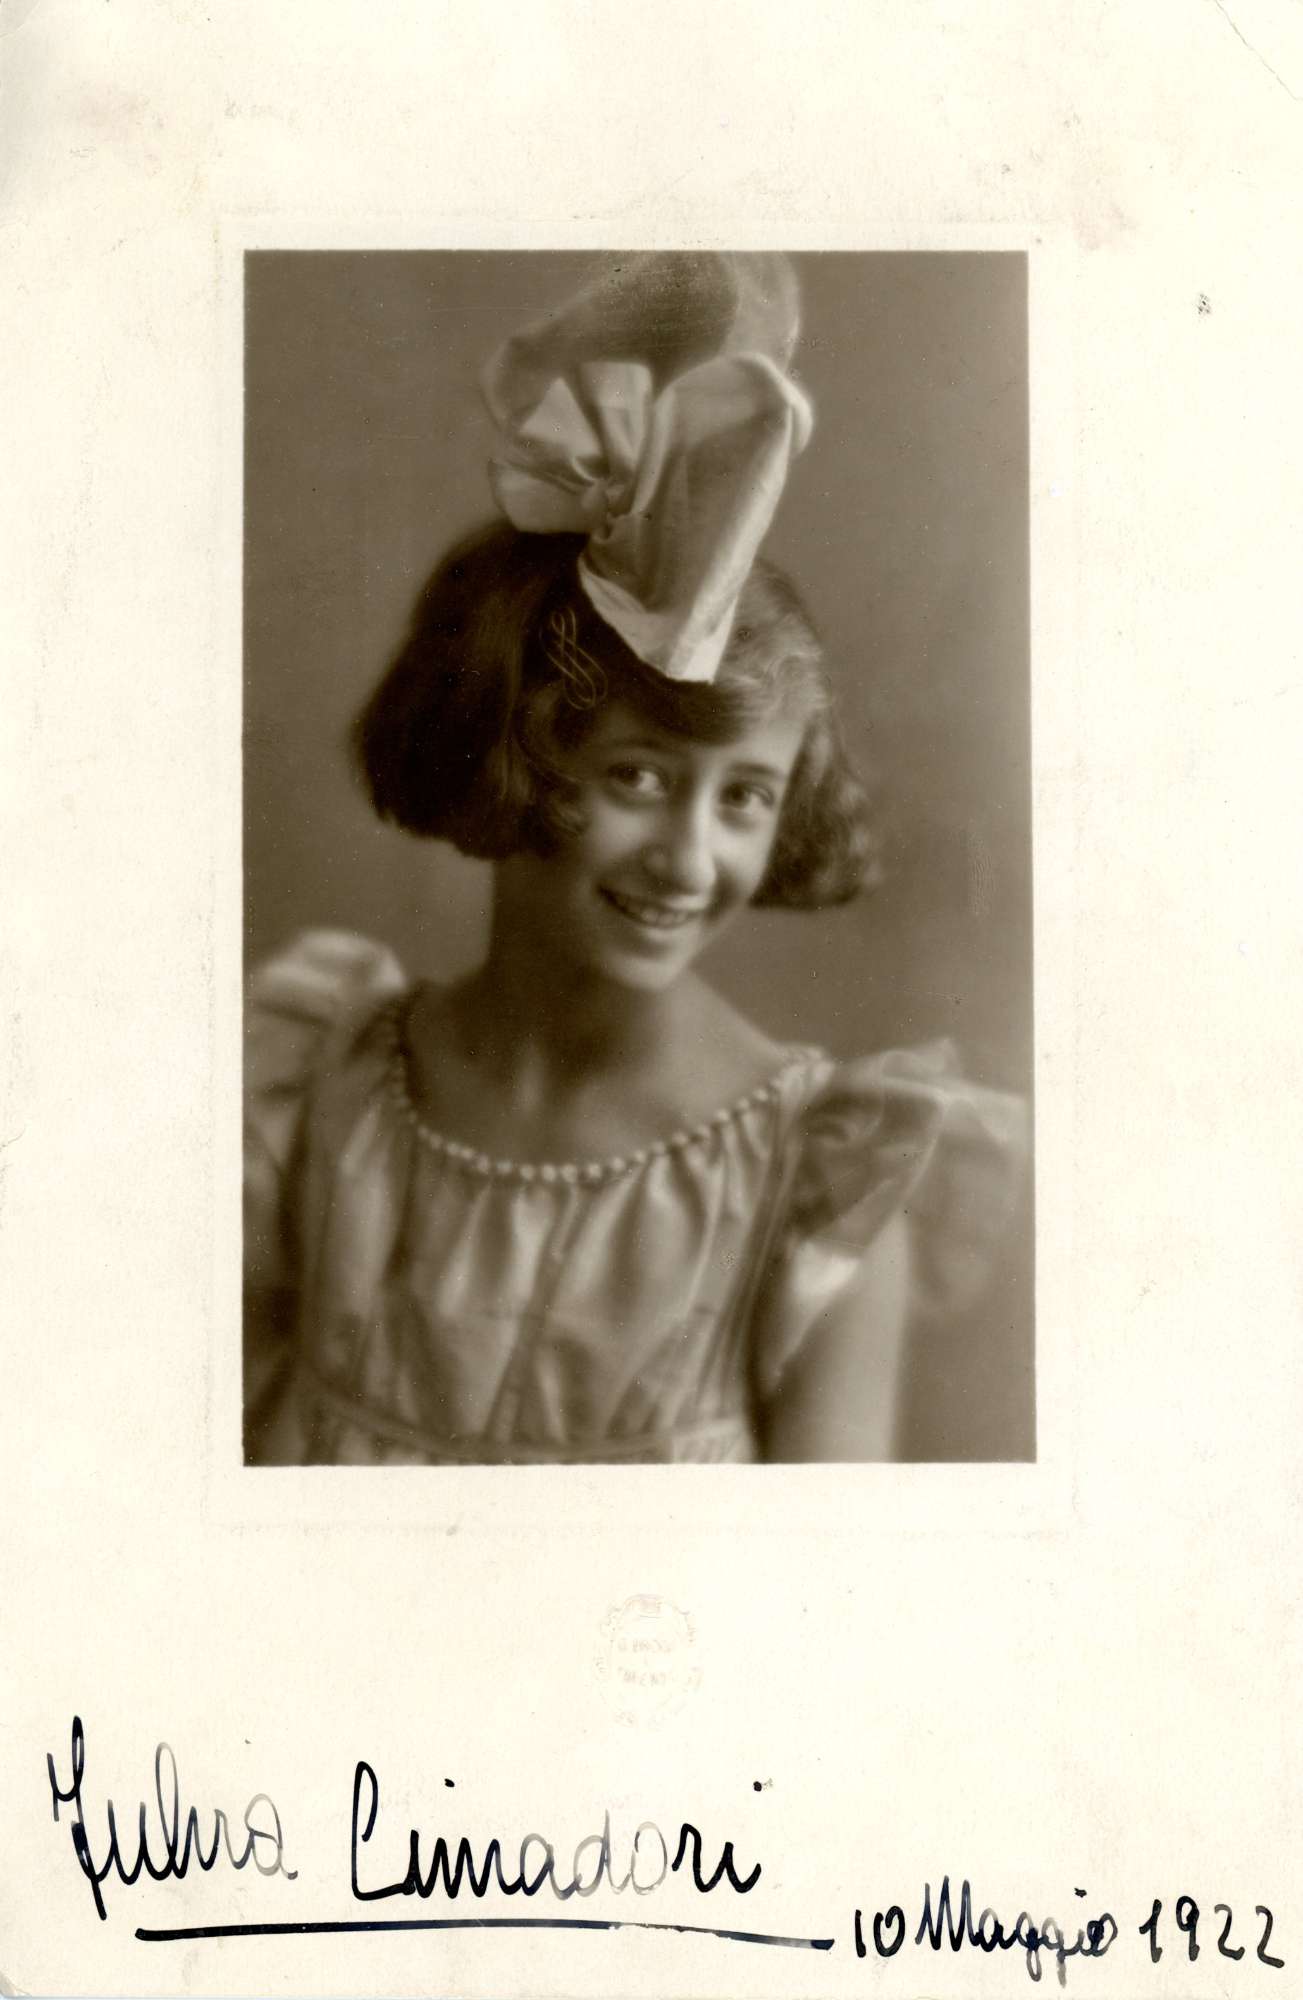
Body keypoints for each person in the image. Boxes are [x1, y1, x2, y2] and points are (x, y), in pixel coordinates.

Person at [243, 252, 1024, 1466]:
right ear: (510, 755)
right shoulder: (320, 1081)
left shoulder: (821, 1172)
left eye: (745, 796)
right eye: (640, 778)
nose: (688, 860)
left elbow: (837, 1565)